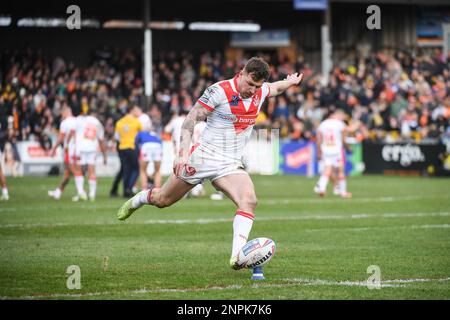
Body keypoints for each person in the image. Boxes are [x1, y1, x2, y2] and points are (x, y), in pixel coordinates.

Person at [117, 57, 303, 279]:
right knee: (162, 200)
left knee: (249, 200)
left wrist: (290, 81)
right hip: (202, 158)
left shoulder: (261, 91)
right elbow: (190, 120)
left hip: (230, 164)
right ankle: (139, 199)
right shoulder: (219, 91)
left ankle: (237, 256)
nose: (253, 91)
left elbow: (275, 88)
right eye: (250, 84)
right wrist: (183, 154)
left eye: (257, 87)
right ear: (242, 72)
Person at [69, 109, 107, 201]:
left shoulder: (80, 119)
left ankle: (81, 192)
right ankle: (92, 195)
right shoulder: (98, 123)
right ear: (95, 114)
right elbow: (101, 140)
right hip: (92, 148)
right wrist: (104, 155)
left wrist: (70, 145)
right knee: (91, 171)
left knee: (78, 170)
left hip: (80, 148)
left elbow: (72, 132)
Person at [314, 110, 352, 198]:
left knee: (327, 169)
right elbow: (343, 139)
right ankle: (343, 192)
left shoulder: (323, 124)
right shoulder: (340, 124)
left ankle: (322, 188)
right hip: (337, 149)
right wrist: (348, 148)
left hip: (326, 149)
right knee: (341, 171)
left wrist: (319, 152)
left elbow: (319, 140)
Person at [48, 106, 77, 200]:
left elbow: (61, 138)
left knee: (73, 171)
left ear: (66, 112)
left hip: (69, 150)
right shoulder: (77, 121)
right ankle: (58, 192)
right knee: (68, 172)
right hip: (77, 150)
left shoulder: (65, 123)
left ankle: (81, 192)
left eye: (62, 113)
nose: (62, 116)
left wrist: (53, 149)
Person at [114, 105, 143, 197]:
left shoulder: (119, 122)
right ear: (132, 110)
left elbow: (116, 137)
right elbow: (141, 135)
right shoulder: (136, 122)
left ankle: (125, 190)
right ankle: (129, 188)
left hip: (122, 147)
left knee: (126, 170)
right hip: (132, 147)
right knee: (136, 169)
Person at [135, 123, 163, 190]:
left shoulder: (141, 133)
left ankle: (144, 189)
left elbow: (136, 143)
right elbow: (161, 143)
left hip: (146, 146)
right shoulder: (156, 134)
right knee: (157, 171)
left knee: (142, 170)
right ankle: (157, 189)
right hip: (158, 146)